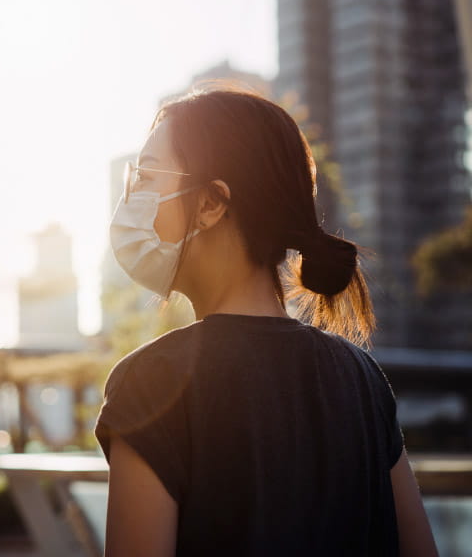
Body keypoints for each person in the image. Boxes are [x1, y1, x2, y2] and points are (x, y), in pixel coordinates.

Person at [94, 87, 439, 556]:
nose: (133, 197)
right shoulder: (363, 379)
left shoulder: (151, 382)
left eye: (149, 176)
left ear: (212, 203)